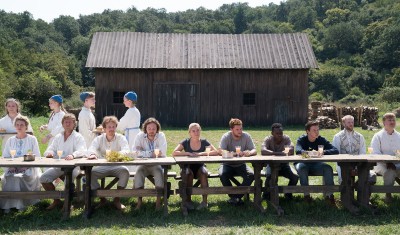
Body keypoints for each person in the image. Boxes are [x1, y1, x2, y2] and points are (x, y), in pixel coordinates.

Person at [40, 114, 87, 210]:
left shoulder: (78, 137)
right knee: (44, 178)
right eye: (66, 122)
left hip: (73, 167)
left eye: (70, 122)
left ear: (74, 124)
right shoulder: (58, 137)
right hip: (58, 165)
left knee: (67, 181)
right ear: (63, 124)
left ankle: (68, 203)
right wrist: (49, 153)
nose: (68, 124)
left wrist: (73, 155)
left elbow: (82, 150)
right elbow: (50, 149)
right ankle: (56, 200)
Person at [0, 115, 42, 213]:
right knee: (10, 176)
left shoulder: (32, 139)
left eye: (22, 125)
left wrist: (25, 166)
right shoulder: (10, 140)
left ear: (26, 127)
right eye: (17, 125)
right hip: (13, 168)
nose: (19, 127)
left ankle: (20, 205)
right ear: (15, 126)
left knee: (19, 177)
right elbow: (5, 156)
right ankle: (8, 205)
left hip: (29, 168)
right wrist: (11, 166)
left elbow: (37, 156)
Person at [88, 116, 130, 210]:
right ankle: (102, 199)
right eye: (109, 127)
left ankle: (117, 200)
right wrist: (92, 154)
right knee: (89, 174)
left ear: (116, 127)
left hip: (117, 165)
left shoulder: (121, 138)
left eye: (113, 127)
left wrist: (114, 156)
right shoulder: (99, 139)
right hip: (103, 165)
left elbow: (126, 150)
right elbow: (91, 149)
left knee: (125, 172)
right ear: (104, 128)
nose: (111, 129)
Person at [173, 123, 218, 210]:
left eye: (198, 130)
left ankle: (205, 202)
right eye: (193, 131)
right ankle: (188, 201)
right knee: (188, 173)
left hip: (200, 167)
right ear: (189, 132)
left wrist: (201, 153)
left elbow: (216, 152)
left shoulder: (204, 141)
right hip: (188, 167)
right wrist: (188, 153)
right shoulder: (185, 142)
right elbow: (174, 152)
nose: (196, 132)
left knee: (204, 172)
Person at [295, 120, 339, 205]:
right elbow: (298, 151)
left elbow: (335, 150)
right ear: (307, 131)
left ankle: (329, 196)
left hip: (316, 164)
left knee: (328, 168)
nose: (317, 132)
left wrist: (323, 152)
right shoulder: (302, 139)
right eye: (314, 130)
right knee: (302, 168)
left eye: (318, 130)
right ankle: (306, 196)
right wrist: (311, 153)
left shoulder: (321, 139)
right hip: (303, 163)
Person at [219, 118, 256, 206]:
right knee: (222, 174)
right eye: (237, 129)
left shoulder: (246, 136)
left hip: (241, 164)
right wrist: (232, 154)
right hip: (227, 164)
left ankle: (236, 197)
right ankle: (234, 197)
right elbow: (220, 150)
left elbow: (254, 150)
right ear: (231, 129)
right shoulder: (226, 136)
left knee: (251, 175)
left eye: (241, 129)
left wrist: (249, 153)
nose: (240, 131)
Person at [133, 117, 166, 210]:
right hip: (143, 164)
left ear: (157, 129)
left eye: (154, 129)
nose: (151, 131)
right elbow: (135, 152)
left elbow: (162, 152)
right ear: (145, 129)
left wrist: (143, 153)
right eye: (149, 129)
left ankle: (158, 202)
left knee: (159, 173)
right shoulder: (139, 136)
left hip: (156, 164)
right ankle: (139, 202)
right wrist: (152, 153)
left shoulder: (161, 136)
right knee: (139, 173)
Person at [332, 115, 376, 185]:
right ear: (344, 123)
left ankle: (358, 187)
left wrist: (356, 166)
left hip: (357, 163)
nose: (351, 124)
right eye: (349, 122)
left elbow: (362, 153)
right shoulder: (337, 137)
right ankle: (347, 193)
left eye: (352, 122)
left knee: (367, 176)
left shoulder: (360, 136)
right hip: (342, 164)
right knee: (345, 179)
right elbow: (336, 154)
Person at [261, 123, 298, 200]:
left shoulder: (286, 138)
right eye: (277, 133)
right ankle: (266, 195)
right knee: (270, 177)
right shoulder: (268, 139)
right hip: (271, 165)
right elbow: (263, 151)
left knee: (295, 178)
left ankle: (288, 193)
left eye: (281, 133)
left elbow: (291, 150)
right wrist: (279, 153)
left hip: (284, 165)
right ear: (272, 133)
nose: (279, 135)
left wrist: (273, 153)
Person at [371, 113, 400, 203]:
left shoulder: (399, 136)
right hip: (380, 164)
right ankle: (388, 195)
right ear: (384, 123)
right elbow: (375, 152)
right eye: (389, 120)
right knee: (389, 172)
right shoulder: (378, 136)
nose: (392, 122)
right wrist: (387, 162)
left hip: (397, 163)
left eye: (393, 120)